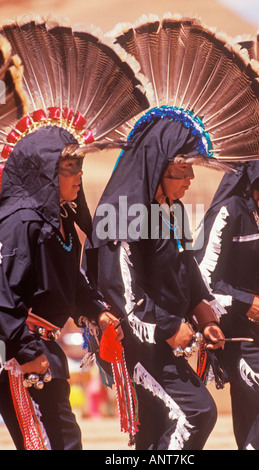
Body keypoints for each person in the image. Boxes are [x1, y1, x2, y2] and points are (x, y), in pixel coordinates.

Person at [84, 108, 225, 450]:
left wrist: (205, 318)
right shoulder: (122, 212)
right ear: (159, 165)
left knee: (156, 428)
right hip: (134, 342)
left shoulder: (171, 212)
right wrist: (167, 325)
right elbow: (120, 289)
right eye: (182, 168)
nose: (190, 177)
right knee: (196, 412)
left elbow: (187, 272)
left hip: (159, 343)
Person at [0, 126, 123, 450]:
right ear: (44, 170)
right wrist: (27, 352)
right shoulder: (20, 222)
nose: (78, 174)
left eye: (79, 165)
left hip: (44, 352)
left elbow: (70, 279)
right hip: (19, 357)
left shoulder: (59, 219)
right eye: (68, 167)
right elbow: (2, 296)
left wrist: (97, 312)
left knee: (65, 442)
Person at [196, 140, 259, 450]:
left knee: (254, 417)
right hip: (228, 333)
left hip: (253, 332)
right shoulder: (228, 211)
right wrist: (245, 302)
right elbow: (202, 281)